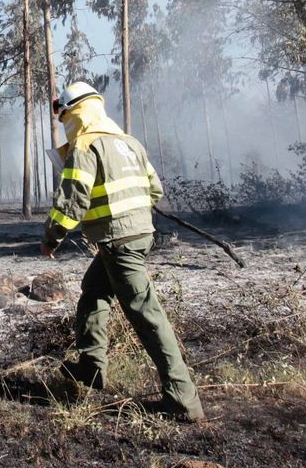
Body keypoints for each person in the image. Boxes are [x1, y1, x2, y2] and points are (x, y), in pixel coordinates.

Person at [41, 81, 204, 422]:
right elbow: (154, 190)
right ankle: (90, 369)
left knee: (146, 314)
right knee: (94, 292)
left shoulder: (84, 146)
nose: (64, 124)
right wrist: (131, 217)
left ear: (74, 113)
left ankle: (182, 399)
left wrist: (51, 238)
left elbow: (72, 201)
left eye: (64, 116)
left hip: (119, 242)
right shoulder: (129, 142)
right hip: (138, 235)